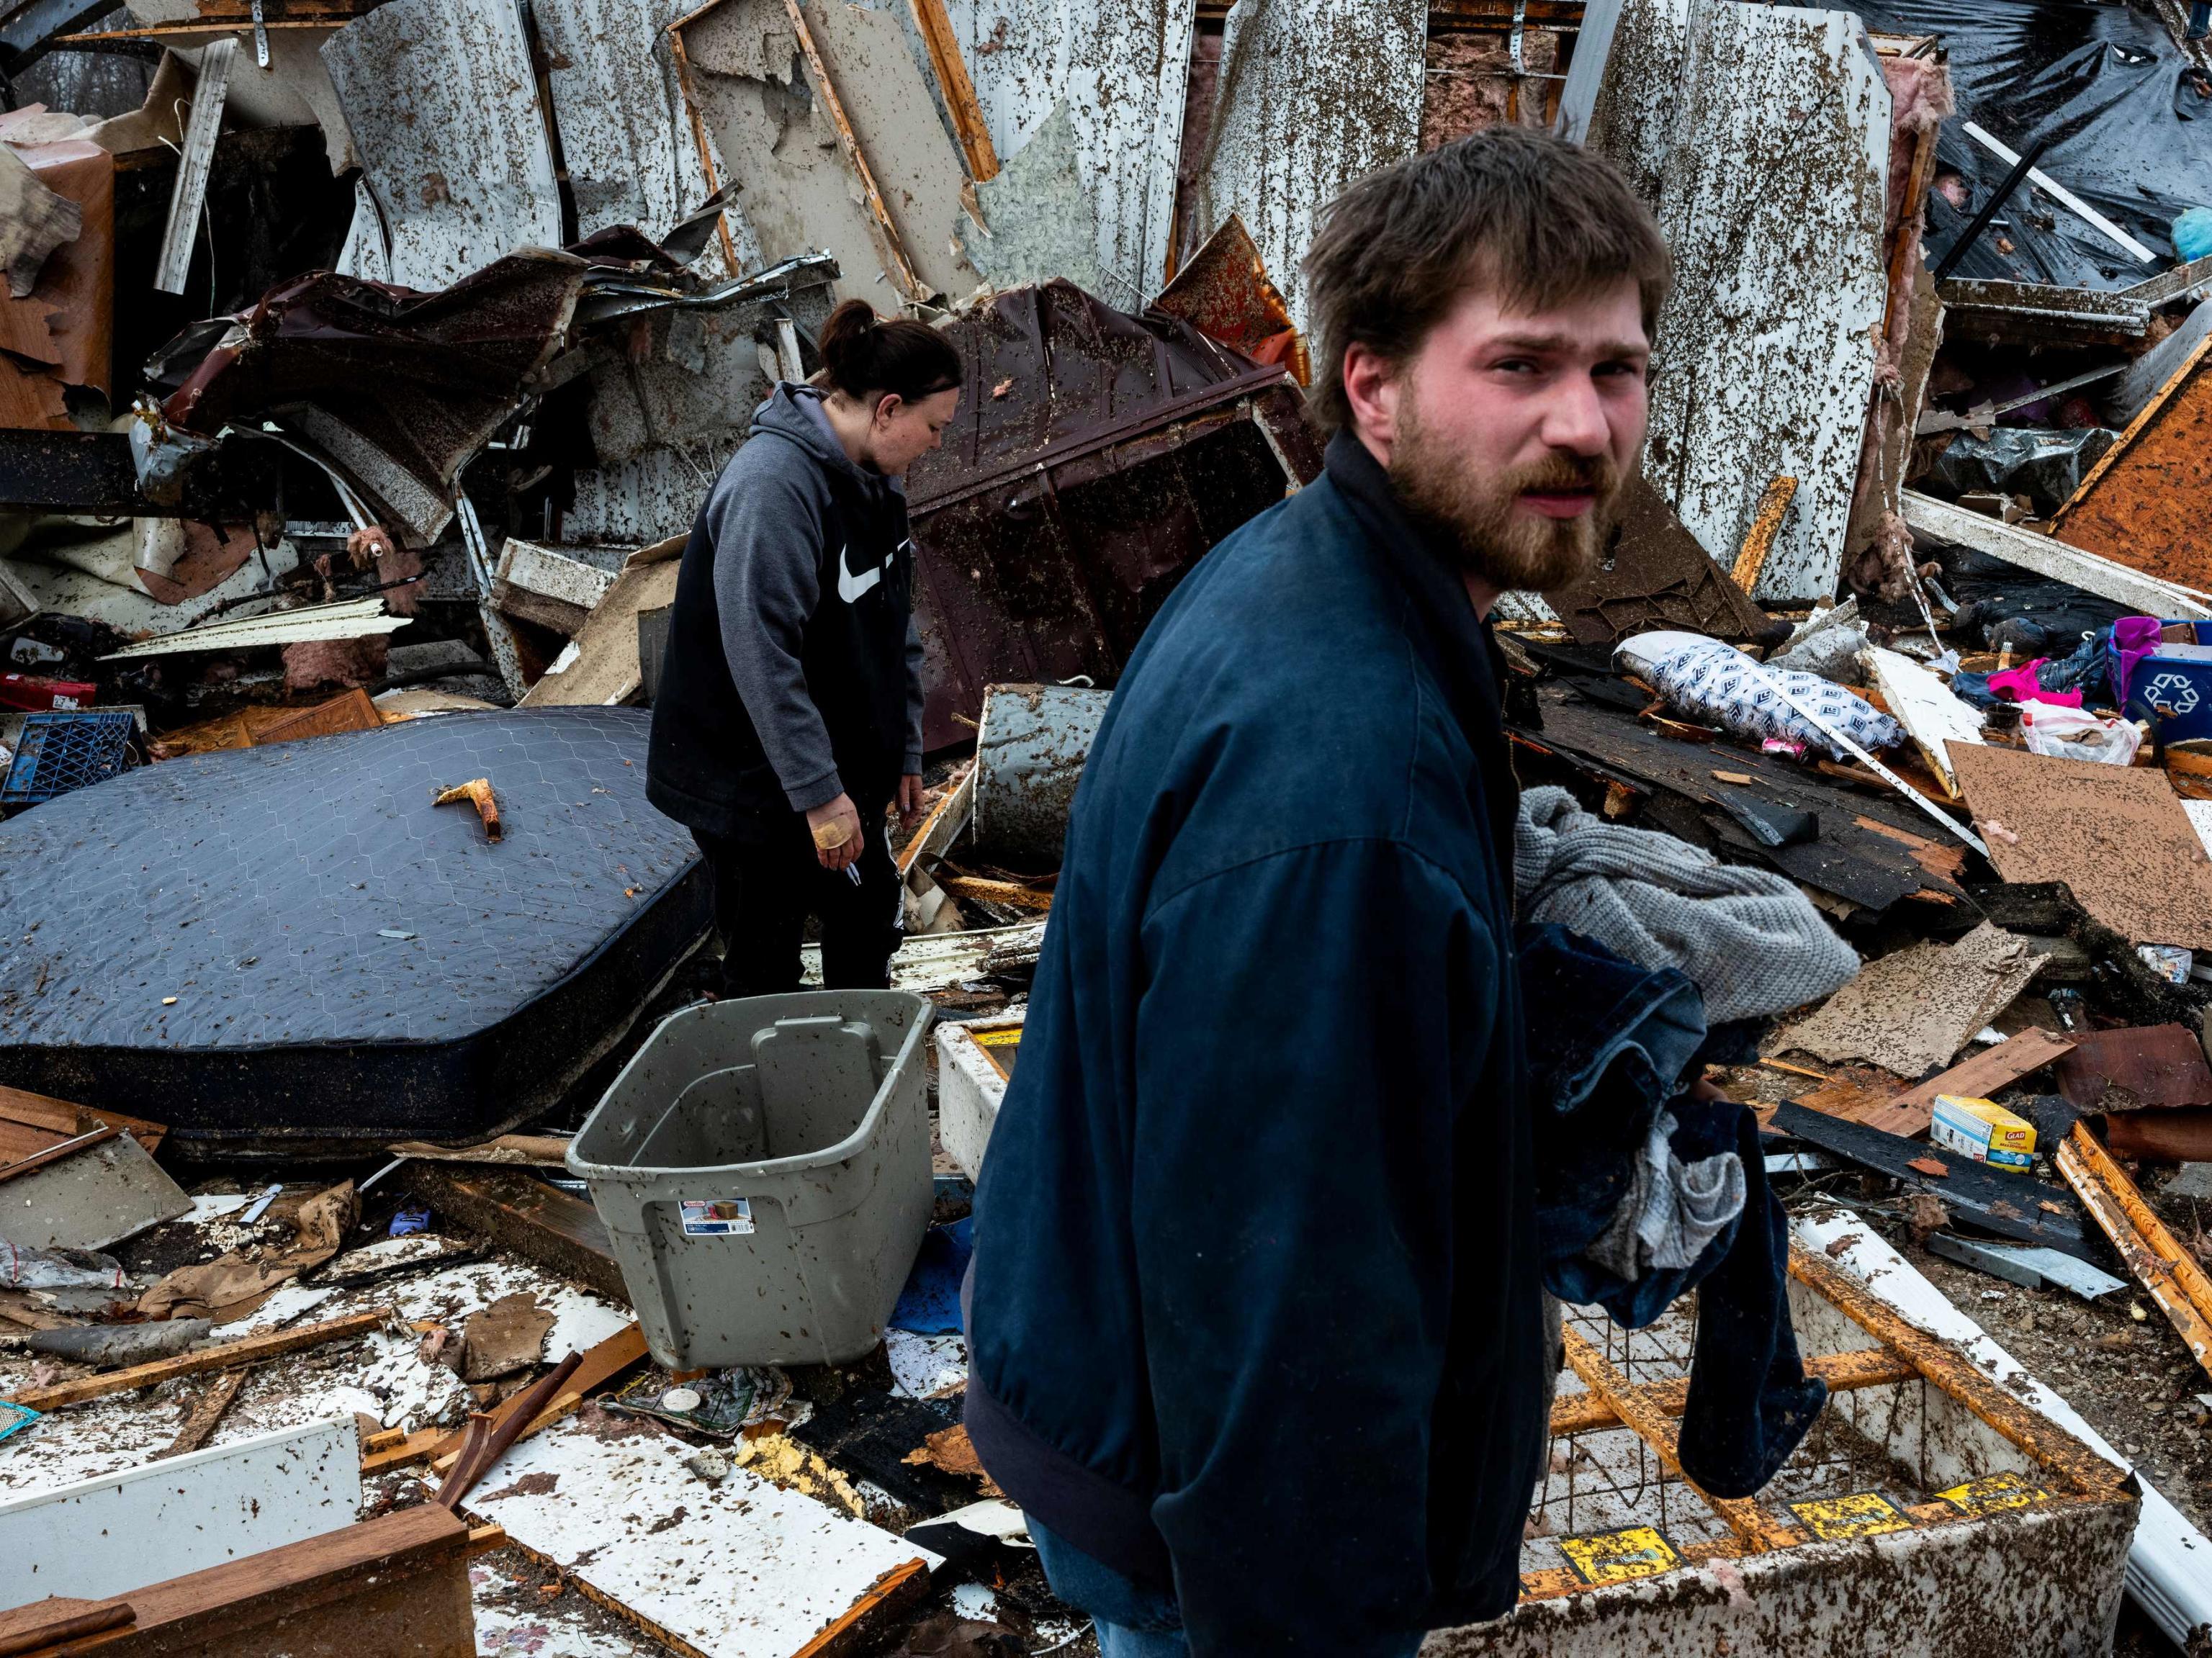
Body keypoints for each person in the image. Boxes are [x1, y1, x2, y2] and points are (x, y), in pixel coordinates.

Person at [963, 128, 1671, 1657]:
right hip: (1202, 1518)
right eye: (1522, 365)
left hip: (1110, 1398)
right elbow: (1285, 1297)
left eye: (1616, 371)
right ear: (1373, 384)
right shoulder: (1344, 769)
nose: (1584, 423)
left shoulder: (1317, 575)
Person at [647, 302, 962, 996]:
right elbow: (761, 654)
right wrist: (821, 797)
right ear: (887, 409)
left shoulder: (878, 484)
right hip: (751, 781)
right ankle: (781, 1088)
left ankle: (861, 1076)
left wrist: (903, 748)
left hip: (827, 771)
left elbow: (892, 624)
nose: (937, 444)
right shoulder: (774, 487)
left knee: (867, 921)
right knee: (767, 963)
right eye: (934, 427)